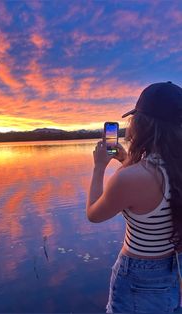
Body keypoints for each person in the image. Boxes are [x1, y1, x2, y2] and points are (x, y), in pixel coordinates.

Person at [86, 81, 182, 313]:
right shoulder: (174, 168)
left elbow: (94, 214)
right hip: (174, 269)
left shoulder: (130, 178)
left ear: (142, 125)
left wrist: (99, 167)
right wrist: (126, 160)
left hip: (138, 275)